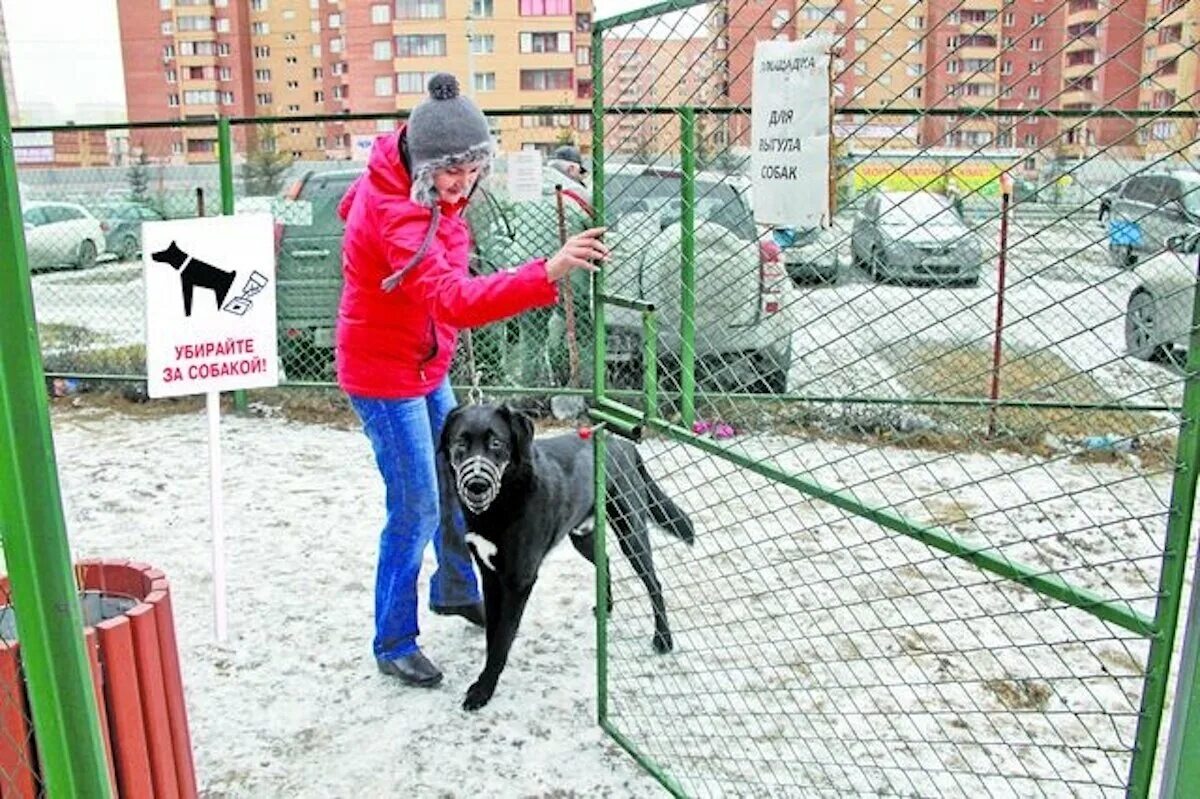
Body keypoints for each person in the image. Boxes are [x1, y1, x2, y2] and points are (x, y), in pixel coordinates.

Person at [335, 73, 608, 688]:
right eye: (448, 172)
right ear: (421, 163)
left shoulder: (424, 192)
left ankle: (456, 589)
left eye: (471, 169)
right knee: (416, 505)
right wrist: (548, 272)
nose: (461, 183)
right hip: (385, 376)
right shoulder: (399, 214)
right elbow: (453, 299)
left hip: (424, 363)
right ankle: (393, 639)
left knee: (457, 482)